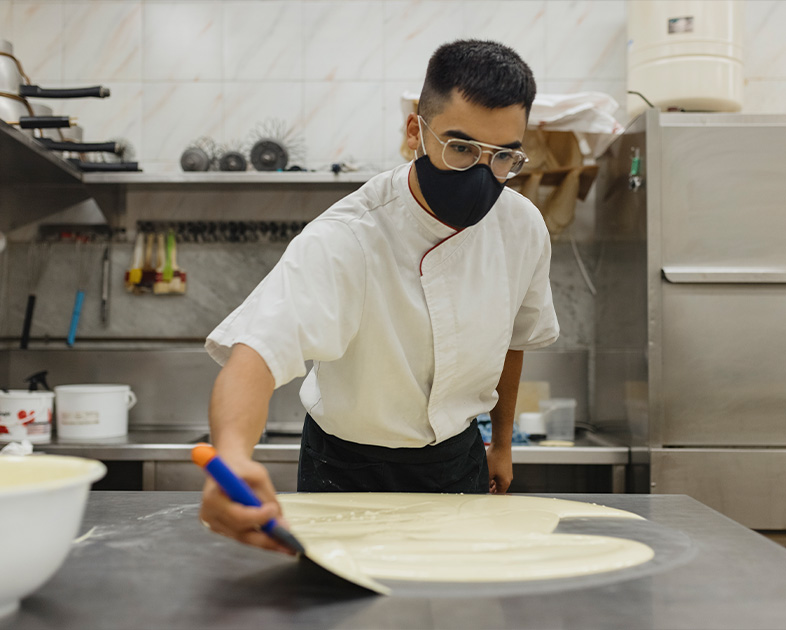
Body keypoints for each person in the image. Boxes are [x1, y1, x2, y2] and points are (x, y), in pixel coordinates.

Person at [199, 39, 559, 552]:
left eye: (502, 156)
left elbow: (513, 340)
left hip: (459, 459)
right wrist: (232, 455)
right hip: (346, 467)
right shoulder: (349, 235)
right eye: (460, 148)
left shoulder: (521, 227)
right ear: (417, 130)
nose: (482, 174)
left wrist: (501, 444)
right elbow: (257, 351)